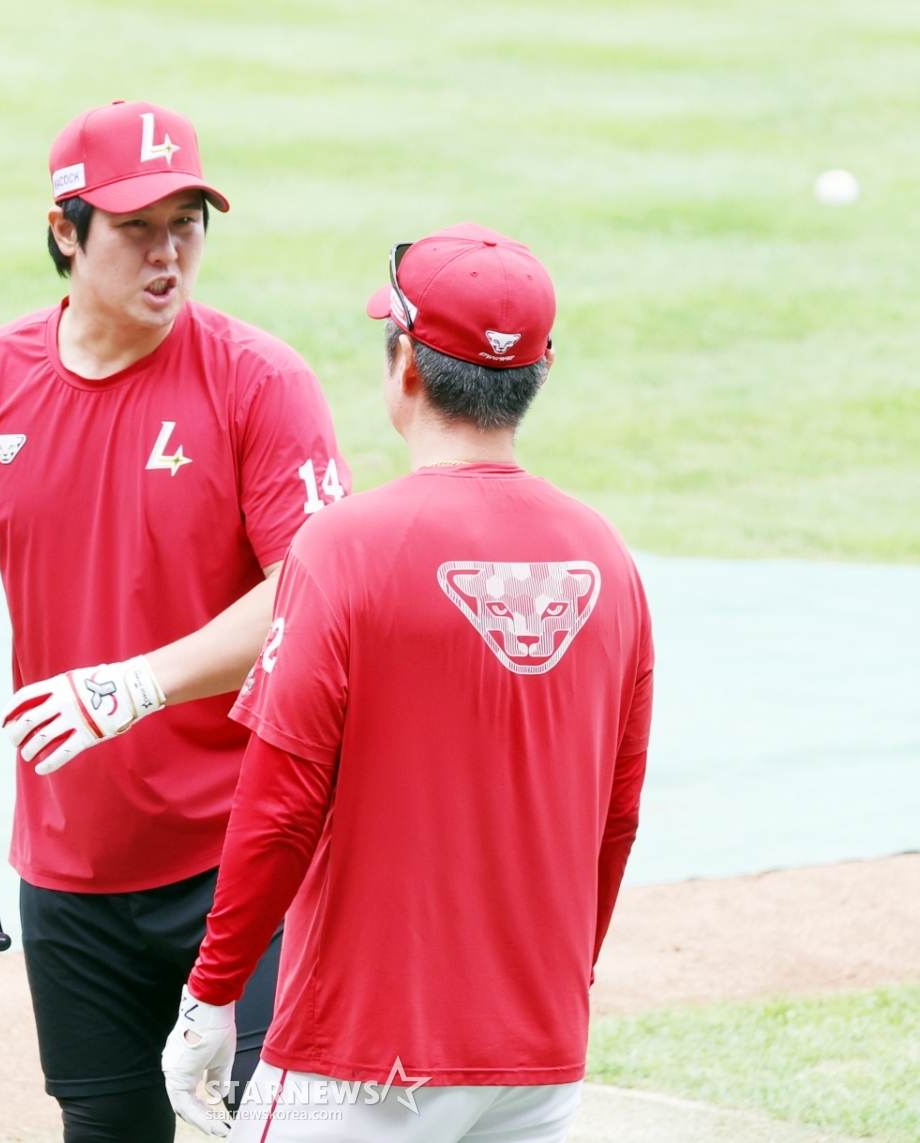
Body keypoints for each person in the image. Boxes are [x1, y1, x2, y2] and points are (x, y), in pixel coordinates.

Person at [0, 99, 350, 1143]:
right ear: (66, 231)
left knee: (284, 1122)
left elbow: (313, 591)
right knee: (107, 1127)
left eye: (186, 223)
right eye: (137, 227)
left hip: (247, 843)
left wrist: (135, 684)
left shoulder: (259, 381)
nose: (168, 254)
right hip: (72, 856)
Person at [160, 224, 654, 1142]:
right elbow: (616, 818)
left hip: (358, 1058)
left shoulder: (344, 548)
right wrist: (557, 982)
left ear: (407, 366)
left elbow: (280, 805)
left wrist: (212, 994)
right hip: (538, 1060)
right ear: (539, 371)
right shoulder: (609, 559)